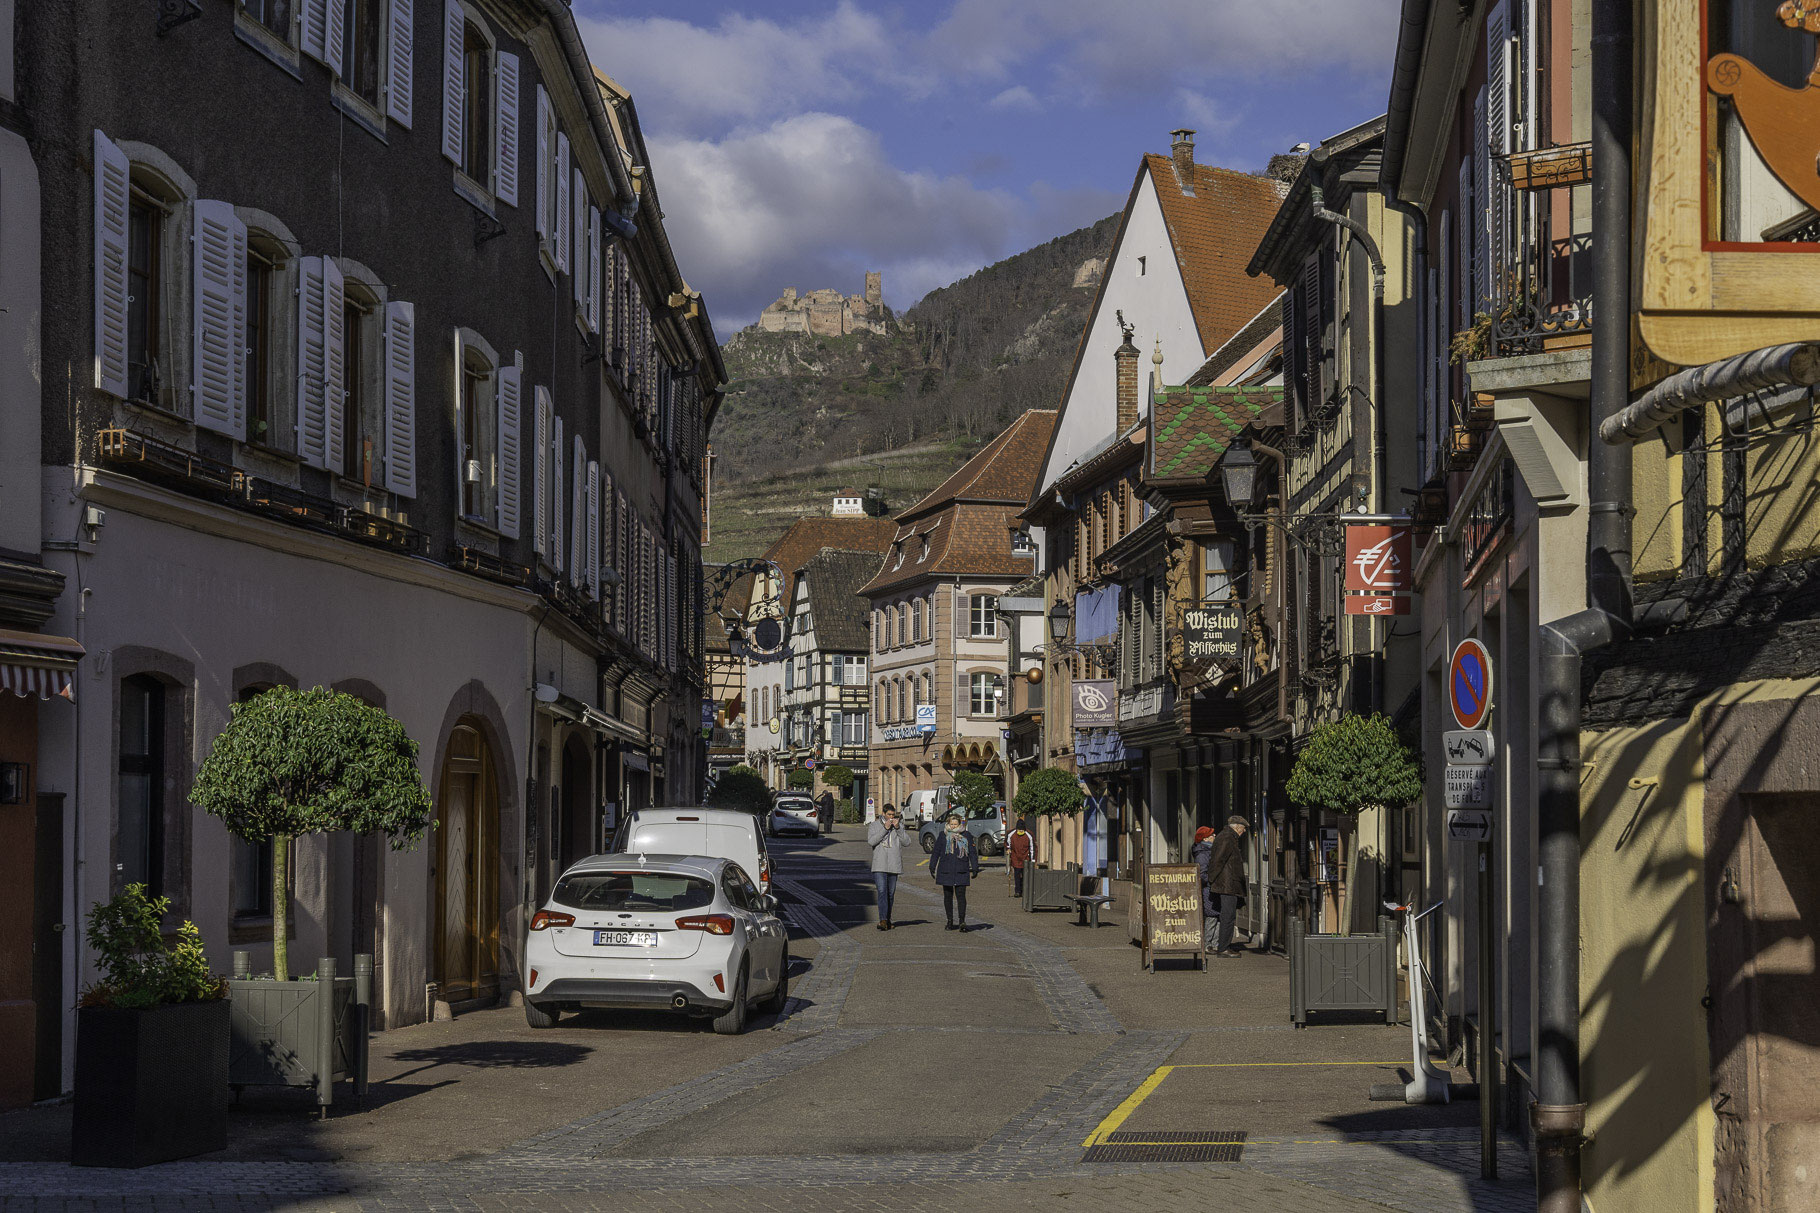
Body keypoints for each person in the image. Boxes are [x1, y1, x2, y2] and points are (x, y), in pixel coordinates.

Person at [1206, 815, 1249, 957]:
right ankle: (1223, 948)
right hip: (1227, 885)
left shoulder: (1227, 837)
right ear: (1236, 827)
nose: (1243, 832)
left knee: (1227, 915)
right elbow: (1218, 860)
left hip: (1227, 884)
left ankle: (1223, 946)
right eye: (1243, 829)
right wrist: (1211, 879)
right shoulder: (1227, 838)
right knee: (1228, 916)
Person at [929, 812, 980, 930]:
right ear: (948, 824)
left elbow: (972, 852)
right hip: (946, 869)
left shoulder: (966, 835)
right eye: (951, 824)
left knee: (961, 896)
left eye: (955, 824)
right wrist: (932, 866)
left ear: (959, 824)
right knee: (948, 896)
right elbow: (936, 851)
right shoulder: (943, 835)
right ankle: (950, 921)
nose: (953, 826)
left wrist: (975, 867)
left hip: (961, 870)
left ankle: (962, 921)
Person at [867, 806, 907, 929]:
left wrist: (898, 828)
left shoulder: (899, 825)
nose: (891, 817)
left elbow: (907, 842)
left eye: (893, 815)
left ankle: (888, 919)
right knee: (882, 891)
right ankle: (883, 920)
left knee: (890, 893)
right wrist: (885, 829)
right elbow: (871, 841)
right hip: (880, 864)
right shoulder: (874, 825)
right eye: (889, 814)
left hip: (894, 864)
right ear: (883, 813)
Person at [1190, 825, 1219, 950]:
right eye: (1212, 835)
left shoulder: (1209, 850)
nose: (1214, 836)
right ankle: (1208, 944)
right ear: (1205, 839)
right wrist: (1212, 881)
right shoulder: (1202, 853)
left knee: (1217, 916)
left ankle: (1214, 943)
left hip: (1212, 887)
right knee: (1212, 916)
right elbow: (1201, 874)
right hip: (1208, 889)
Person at [1007, 816, 1035, 897]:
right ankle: (1017, 891)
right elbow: (1008, 845)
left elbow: (1032, 848)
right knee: (1017, 875)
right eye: (1019, 830)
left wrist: (1032, 860)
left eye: (1022, 830)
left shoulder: (1028, 836)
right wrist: (1008, 849)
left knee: (1024, 875)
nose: (1020, 831)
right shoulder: (1011, 835)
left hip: (1025, 858)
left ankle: (1024, 891)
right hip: (1015, 858)